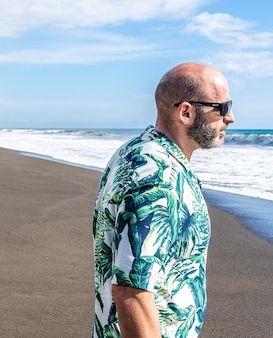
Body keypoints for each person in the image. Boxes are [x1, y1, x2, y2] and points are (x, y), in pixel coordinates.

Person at [92, 63, 235, 338]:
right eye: (222, 108)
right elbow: (132, 289)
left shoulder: (136, 151)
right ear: (186, 112)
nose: (230, 118)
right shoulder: (158, 175)